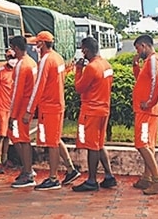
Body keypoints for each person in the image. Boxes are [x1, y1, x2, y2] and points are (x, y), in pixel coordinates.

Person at [26, 31, 80, 191]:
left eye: (37, 43)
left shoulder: (46, 60)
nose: (35, 46)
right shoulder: (58, 58)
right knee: (55, 139)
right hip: (57, 104)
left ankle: (53, 178)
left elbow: (38, 87)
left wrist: (29, 110)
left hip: (49, 106)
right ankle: (70, 169)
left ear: (42, 44)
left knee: (51, 143)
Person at [71, 37, 117, 192]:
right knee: (99, 144)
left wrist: (78, 70)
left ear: (86, 50)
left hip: (91, 110)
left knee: (92, 146)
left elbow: (79, 88)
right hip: (104, 109)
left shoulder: (91, 67)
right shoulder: (106, 64)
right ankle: (109, 176)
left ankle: (91, 180)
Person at [131, 34, 158, 195]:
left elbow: (156, 82)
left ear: (144, 46)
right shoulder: (150, 61)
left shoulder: (152, 60)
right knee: (148, 144)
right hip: (147, 110)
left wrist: (149, 102)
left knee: (142, 144)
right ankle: (147, 178)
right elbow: (143, 81)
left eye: (138, 48)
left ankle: (157, 179)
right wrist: (135, 65)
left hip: (147, 111)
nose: (137, 51)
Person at [6, 36, 38, 188]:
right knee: (23, 140)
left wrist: (12, 116)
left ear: (16, 48)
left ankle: (28, 172)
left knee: (21, 140)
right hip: (27, 107)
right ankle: (28, 169)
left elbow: (17, 93)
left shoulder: (21, 65)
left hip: (21, 109)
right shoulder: (31, 62)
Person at [0, 49, 17, 174]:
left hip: (12, 109)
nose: (12, 59)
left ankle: (5, 158)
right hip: (1, 108)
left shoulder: (17, 71)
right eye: (10, 57)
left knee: (8, 136)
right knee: (1, 135)